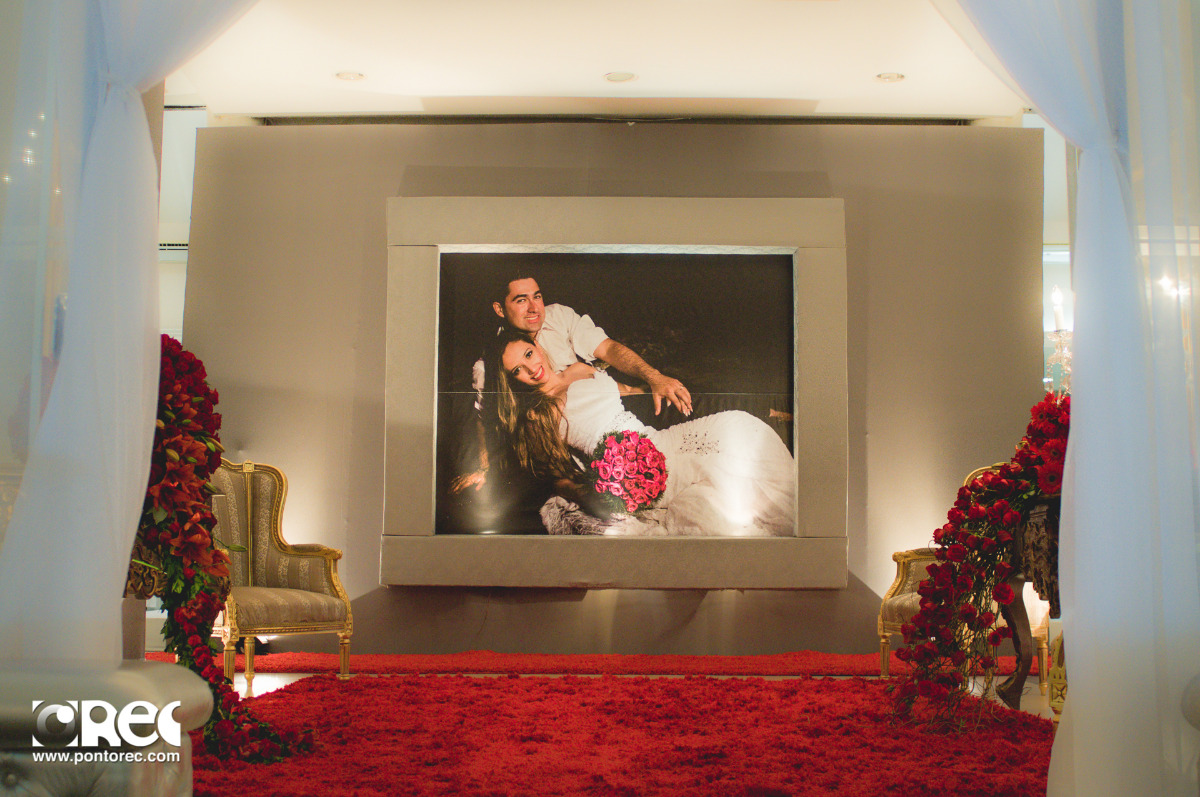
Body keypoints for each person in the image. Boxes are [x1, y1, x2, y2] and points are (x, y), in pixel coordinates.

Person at [490, 329, 795, 537]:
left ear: (537, 346)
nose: (530, 368)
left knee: (740, 427)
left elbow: (621, 390)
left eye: (528, 354)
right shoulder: (537, 415)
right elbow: (558, 479)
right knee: (713, 488)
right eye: (517, 370)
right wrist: (596, 493)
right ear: (511, 380)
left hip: (656, 438)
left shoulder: (579, 369)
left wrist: (657, 383)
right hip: (629, 470)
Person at [450, 271, 692, 494]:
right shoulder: (489, 366)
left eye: (537, 296)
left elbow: (607, 348)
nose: (534, 308)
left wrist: (655, 378)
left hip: (608, 404)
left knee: (686, 408)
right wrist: (482, 467)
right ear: (499, 309)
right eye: (521, 300)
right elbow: (484, 420)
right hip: (574, 436)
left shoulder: (557, 316)